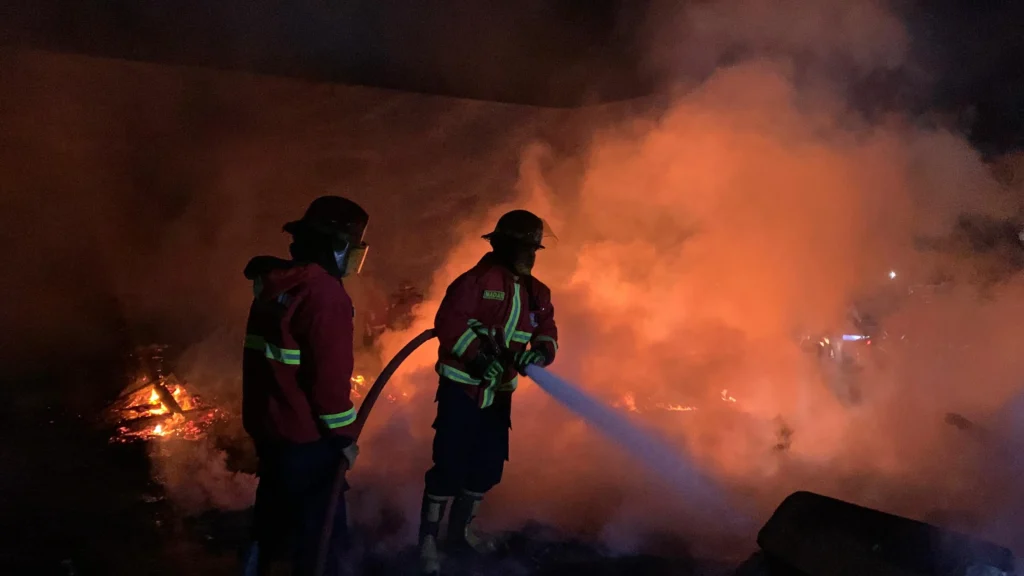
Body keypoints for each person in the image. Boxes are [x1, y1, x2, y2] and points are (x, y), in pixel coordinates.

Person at [418, 210, 559, 575]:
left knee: (487, 467)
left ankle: (460, 533)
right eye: (524, 248)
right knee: (449, 465)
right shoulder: (476, 281)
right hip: (461, 390)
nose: (530, 256)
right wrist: (478, 359)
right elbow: (449, 322)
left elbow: (547, 331)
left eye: (534, 249)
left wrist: (540, 353)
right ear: (502, 246)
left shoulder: (537, 292)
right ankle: (428, 541)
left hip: (499, 395)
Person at [240, 195, 369, 576]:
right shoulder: (324, 294)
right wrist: (344, 438)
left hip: (271, 430)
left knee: (271, 529)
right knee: (323, 543)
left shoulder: (278, 285)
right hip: (307, 440)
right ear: (337, 246)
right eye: (353, 248)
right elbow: (328, 383)